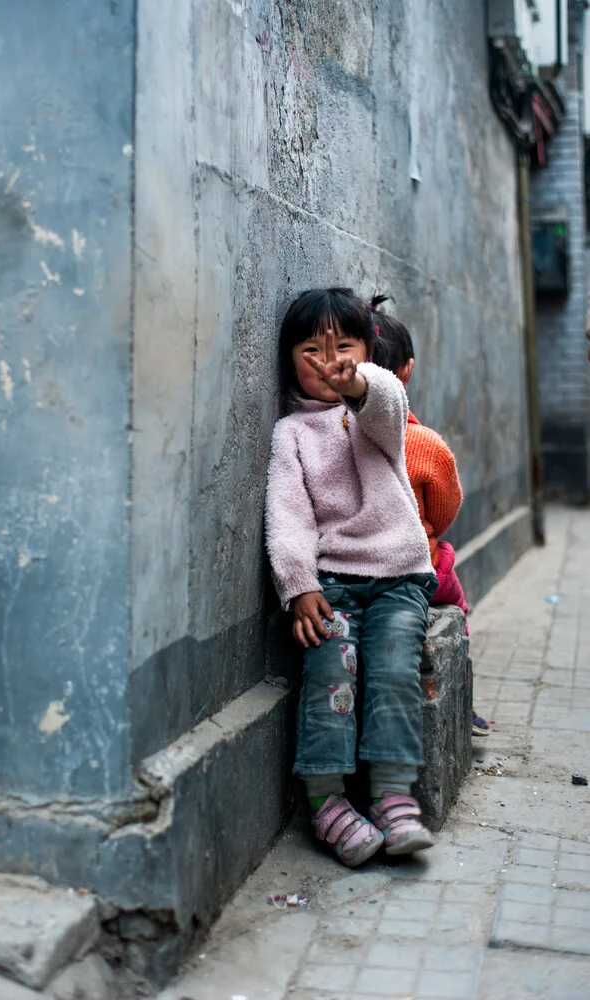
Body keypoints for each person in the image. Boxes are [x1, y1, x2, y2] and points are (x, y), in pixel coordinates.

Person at [265, 287, 438, 867]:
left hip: (399, 579)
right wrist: (299, 586)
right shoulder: (290, 433)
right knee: (329, 676)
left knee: (392, 671)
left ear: (368, 350)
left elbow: (387, 400)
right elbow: (287, 516)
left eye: (344, 346)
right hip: (331, 585)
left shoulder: (375, 412)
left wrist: (358, 384)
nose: (328, 359)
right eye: (311, 349)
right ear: (290, 359)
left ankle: (393, 797)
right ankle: (326, 802)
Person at [369, 294, 489, 738]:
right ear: (407, 371)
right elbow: (445, 509)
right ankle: (465, 699)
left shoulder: (335, 432)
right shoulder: (424, 444)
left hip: (350, 570)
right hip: (418, 571)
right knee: (456, 599)